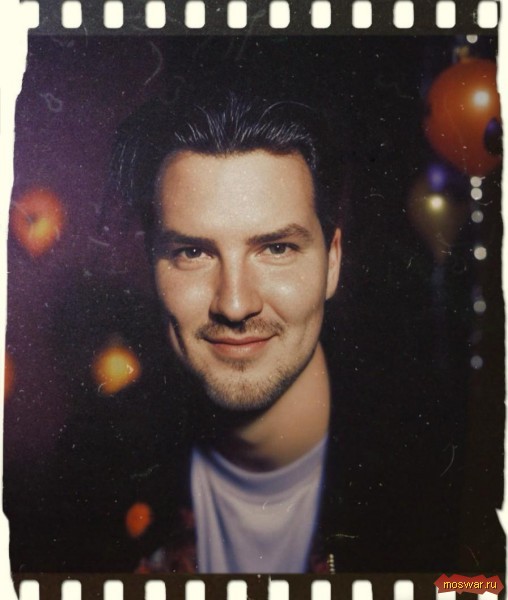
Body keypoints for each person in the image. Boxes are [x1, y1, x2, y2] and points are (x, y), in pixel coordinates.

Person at [109, 90, 490, 574]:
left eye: (277, 249)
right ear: (150, 267)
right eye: (193, 253)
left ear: (332, 261)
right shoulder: (97, 472)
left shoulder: (452, 481)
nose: (234, 304)